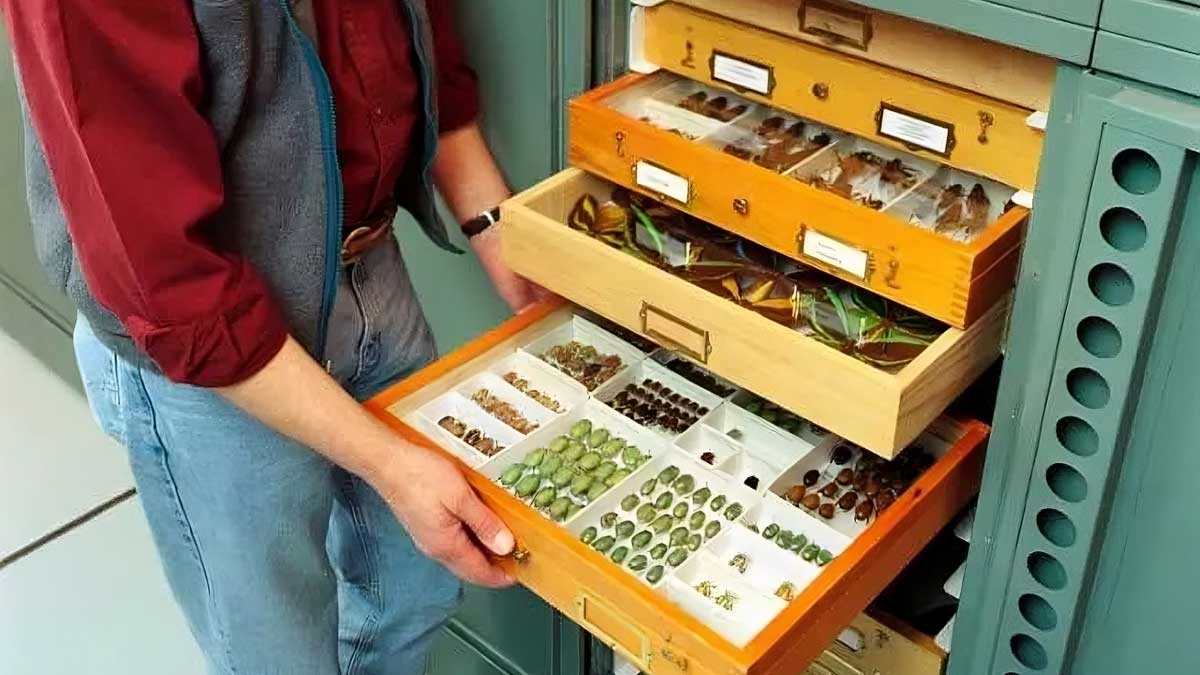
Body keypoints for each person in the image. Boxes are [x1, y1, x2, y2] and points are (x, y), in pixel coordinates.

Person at [1, 1, 548, 673]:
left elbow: (417, 30)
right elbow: (172, 287)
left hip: (370, 266)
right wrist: (389, 465)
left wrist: (497, 229)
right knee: (277, 650)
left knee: (420, 585)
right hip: (213, 347)